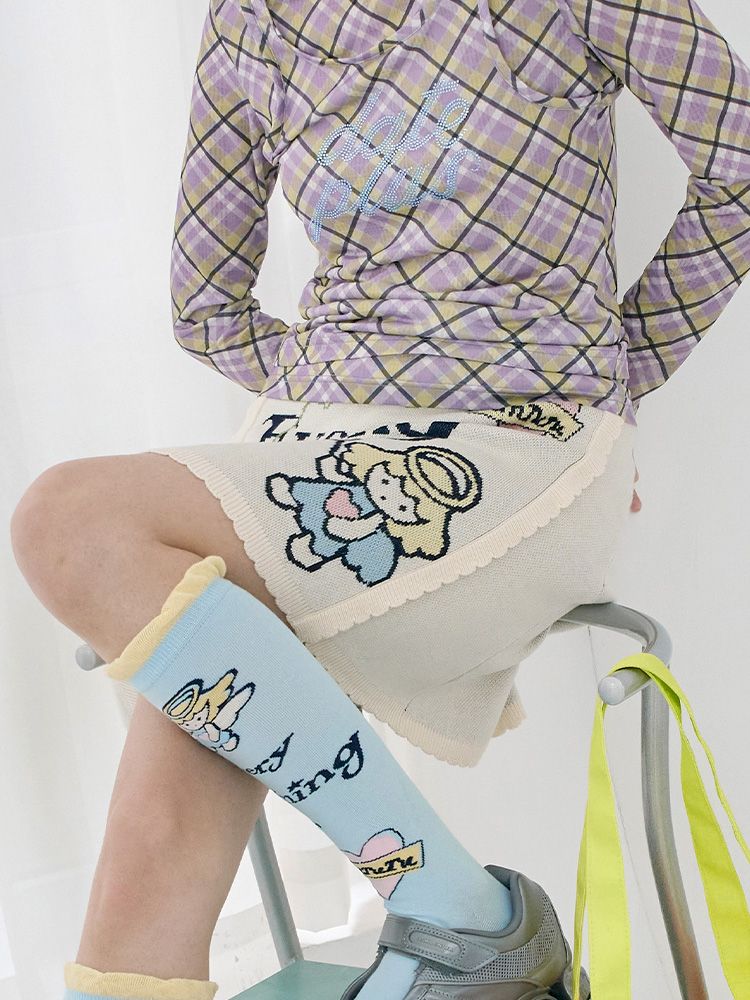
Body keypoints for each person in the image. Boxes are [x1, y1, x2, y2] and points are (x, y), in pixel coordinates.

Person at [9, 0, 748, 996]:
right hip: (316, 456)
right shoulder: (252, 19)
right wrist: (345, 395)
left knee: (68, 519)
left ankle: (455, 907)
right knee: (127, 944)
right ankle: (464, 919)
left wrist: (606, 380)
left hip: (518, 449)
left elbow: (740, 163)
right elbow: (205, 308)